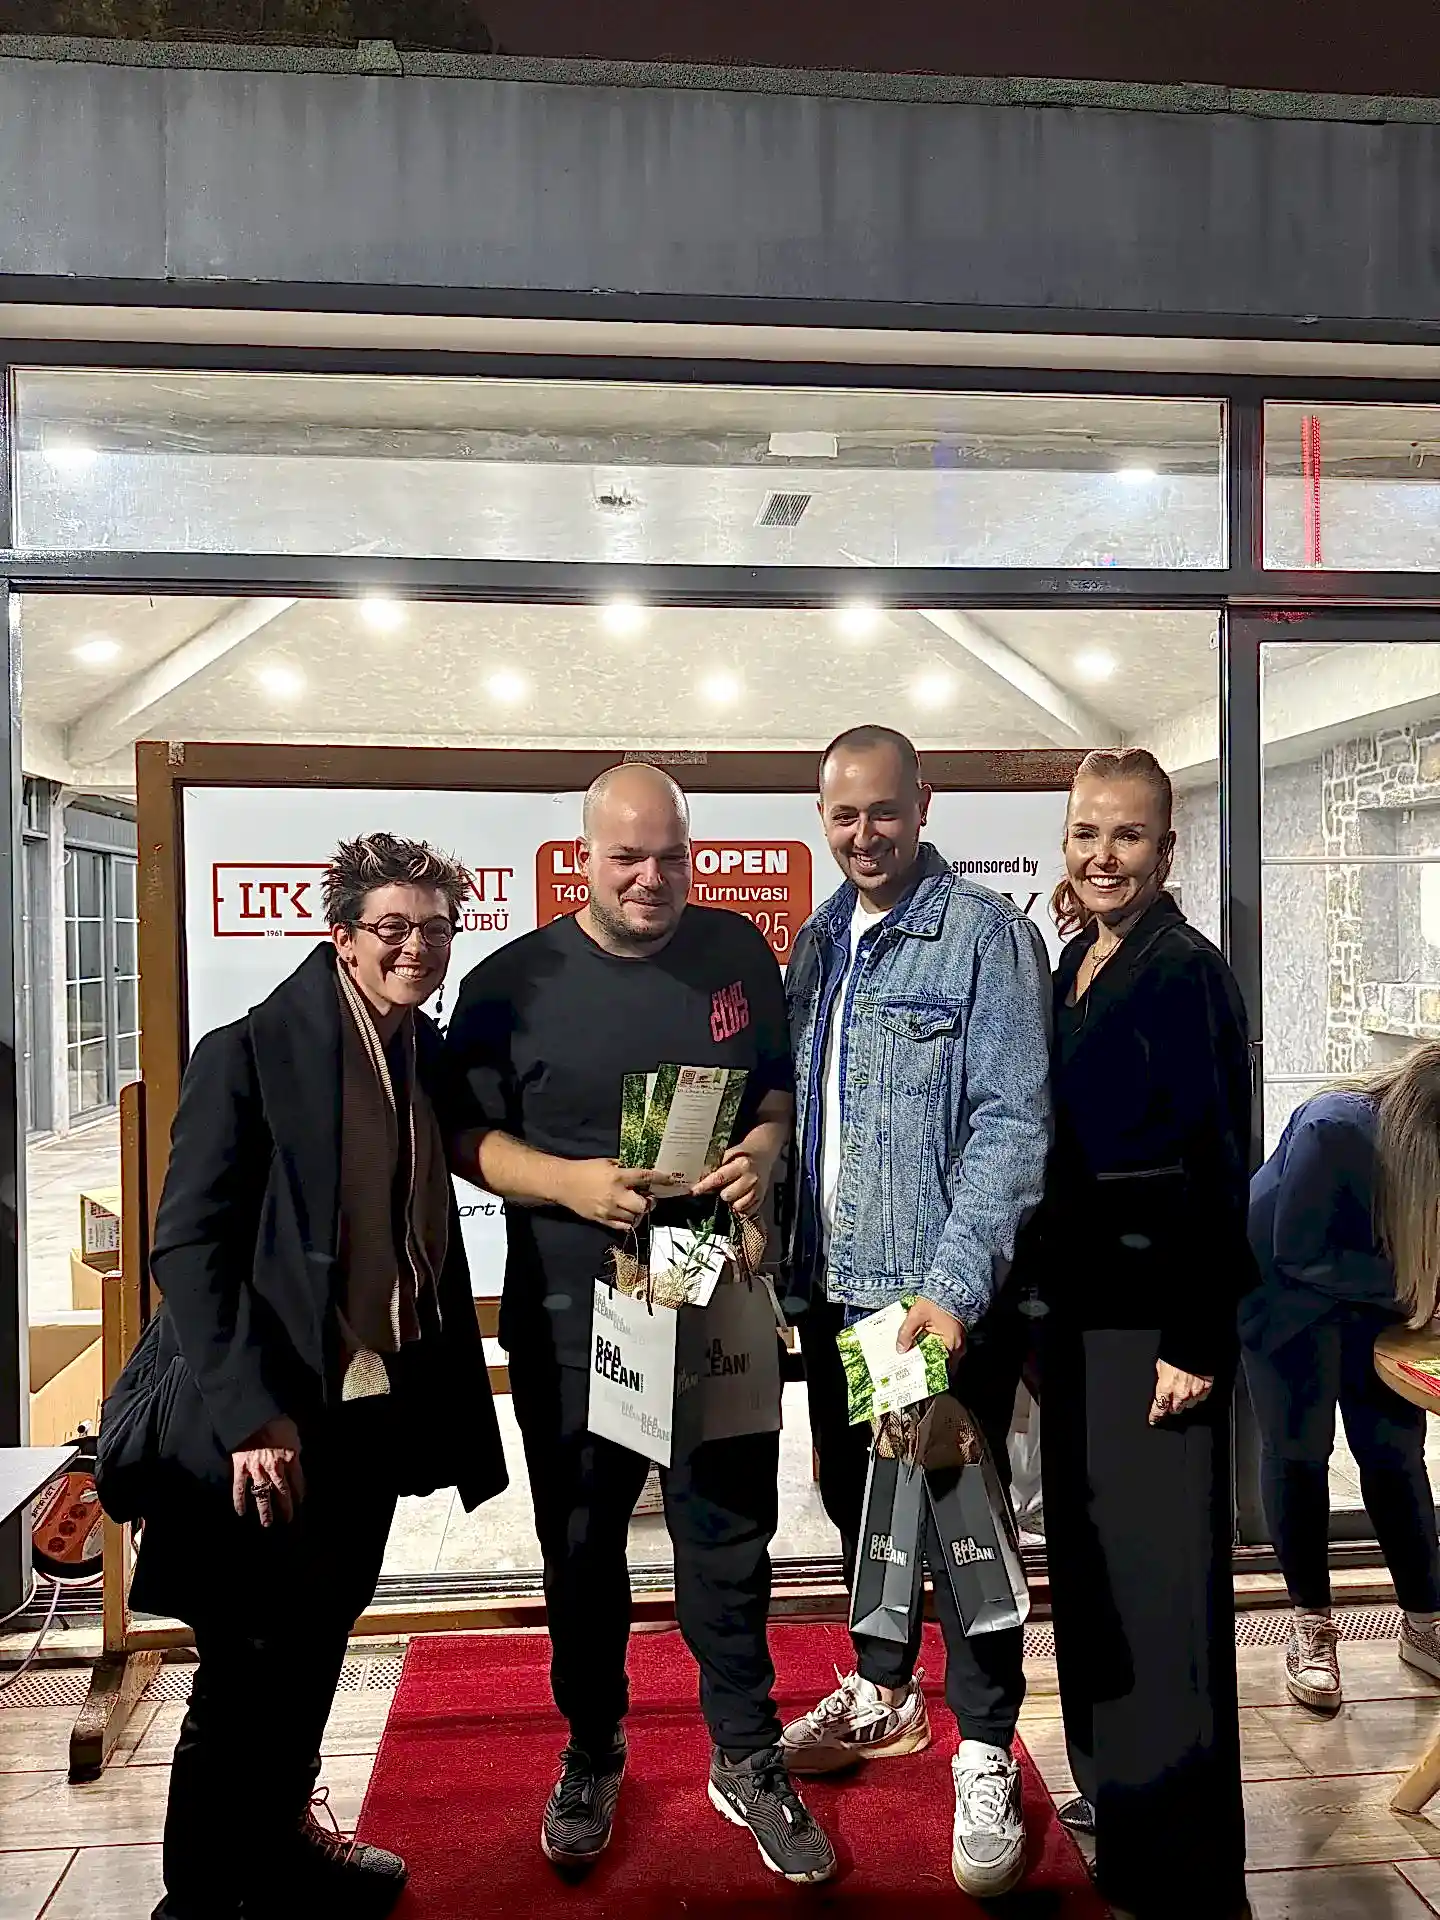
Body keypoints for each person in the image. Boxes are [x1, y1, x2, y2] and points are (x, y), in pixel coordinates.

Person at [441, 762, 837, 1886]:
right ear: (584, 858)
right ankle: (592, 1751)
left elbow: (774, 1091)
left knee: (731, 1538)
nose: (651, 878)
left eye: (671, 856)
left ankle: (748, 1755)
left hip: (709, 1292)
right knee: (581, 1549)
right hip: (575, 1315)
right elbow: (461, 1136)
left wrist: (764, 1151)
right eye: (627, 858)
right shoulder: (509, 981)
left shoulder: (738, 953)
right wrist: (567, 1184)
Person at [97, 834, 507, 1920]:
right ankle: (196, 1904)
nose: (416, 947)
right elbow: (187, 1248)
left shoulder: (419, 1055)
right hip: (263, 1420)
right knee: (244, 1668)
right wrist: (252, 1419)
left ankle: (279, 1851)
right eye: (392, 927)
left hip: (363, 1412)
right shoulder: (248, 1053)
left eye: (435, 929)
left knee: (317, 1642)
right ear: (342, 936)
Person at [777, 725, 1052, 1900]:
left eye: (883, 811)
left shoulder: (987, 938)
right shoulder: (819, 941)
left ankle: (985, 1749)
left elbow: (1011, 1127)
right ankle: (884, 1689)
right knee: (866, 1509)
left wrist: (951, 1287)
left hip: (927, 1303)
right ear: (822, 816)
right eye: (843, 815)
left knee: (964, 1531)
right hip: (841, 1294)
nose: (864, 835)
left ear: (924, 804)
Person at [1020, 747, 1253, 1920]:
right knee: (1095, 1582)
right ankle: (1116, 1802)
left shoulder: (1187, 972)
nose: (1102, 856)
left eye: (1126, 836)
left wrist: (1196, 1341)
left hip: (1158, 1337)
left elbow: (1219, 1166)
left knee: (1165, 1602)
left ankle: (1187, 1866)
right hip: (1077, 1328)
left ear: (1168, 847)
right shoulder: (1073, 961)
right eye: (1086, 833)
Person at [1244, 1048, 1440, 1712]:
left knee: (1394, 1453)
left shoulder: (1416, 1144)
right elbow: (1298, 1251)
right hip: (1283, 1296)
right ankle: (1312, 1627)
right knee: (1299, 1453)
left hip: (1374, 1295)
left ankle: (1425, 1621)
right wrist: (1411, 1286)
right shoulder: (1335, 1126)